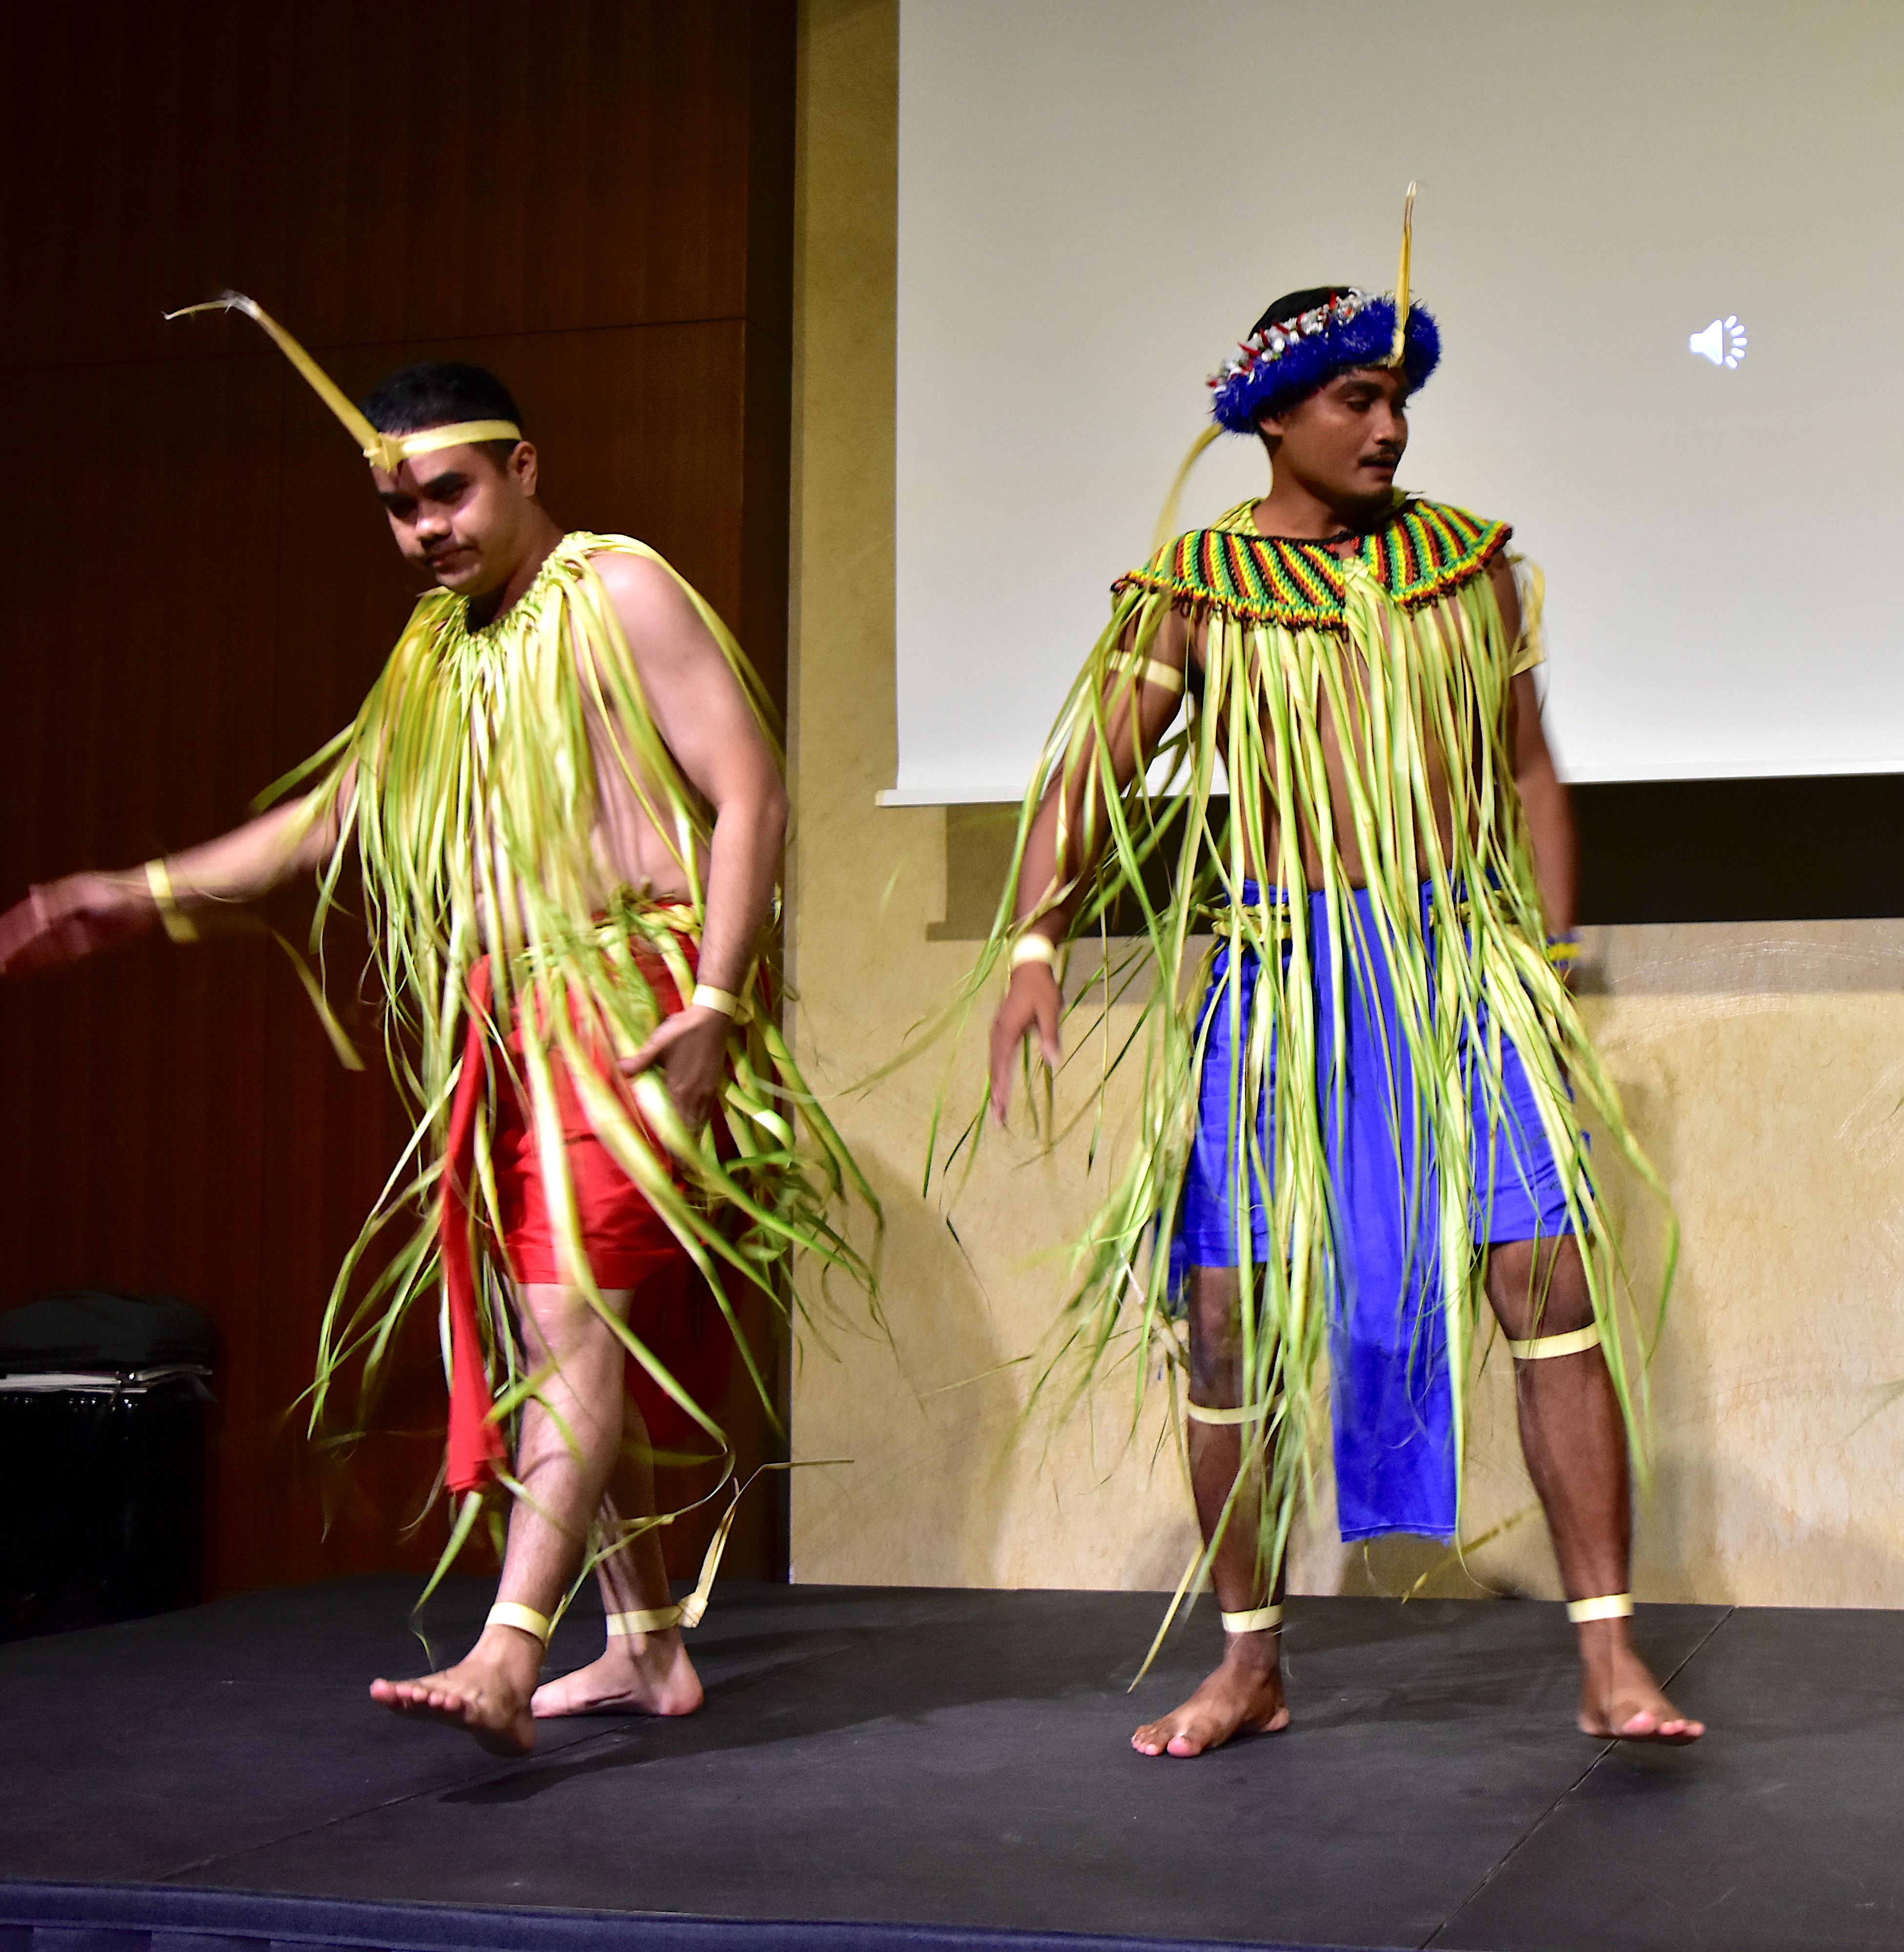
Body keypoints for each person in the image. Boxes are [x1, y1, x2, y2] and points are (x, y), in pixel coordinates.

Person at [0, 298, 873, 1755]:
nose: (423, 529)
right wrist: (140, 891)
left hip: (635, 992)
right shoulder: (434, 649)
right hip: (514, 1015)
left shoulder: (618, 587)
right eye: (398, 508)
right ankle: (646, 1646)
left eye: (447, 492)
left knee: (566, 1313)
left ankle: (509, 1651)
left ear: (524, 465)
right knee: (558, 1319)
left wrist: (718, 998)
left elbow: (752, 792)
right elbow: (337, 816)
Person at [957, 269, 1699, 1757]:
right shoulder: (1197, 590)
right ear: (1272, 414)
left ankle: (1610, 1656)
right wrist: (1034, 940)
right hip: (1284, 976)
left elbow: (1529, 773)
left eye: (1400, 400)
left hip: (1457, 961)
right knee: (1227, 1317)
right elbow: (1091, 770)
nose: (1392, 427)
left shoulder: (1467, 568)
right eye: (1358, 401)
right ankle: (1250, 1662)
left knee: (1547, 1289)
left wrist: (1544, 964)